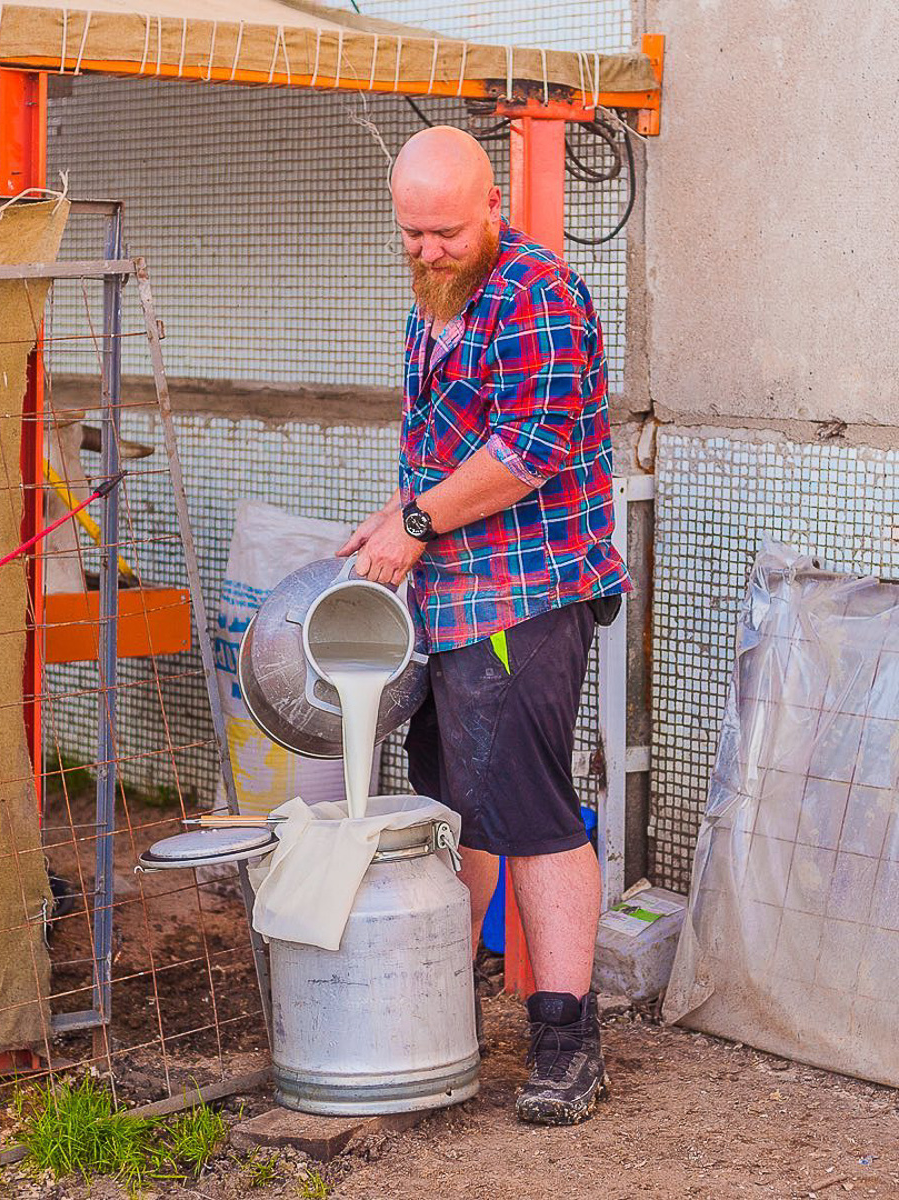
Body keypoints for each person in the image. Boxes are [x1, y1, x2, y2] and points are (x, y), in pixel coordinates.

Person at [337, 125, 630, 1126]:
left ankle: (566, 1038)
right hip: (452, 604)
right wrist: (396, 514)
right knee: (451, 804)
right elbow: (442, 443)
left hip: (525, 598)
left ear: (493, 205)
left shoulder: (539, 295)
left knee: (533, 815)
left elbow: (527, 451)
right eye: (411, 233)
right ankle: (437, 1008)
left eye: (446, 232)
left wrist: (418, 524)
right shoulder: (439, 297)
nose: (427, 250)